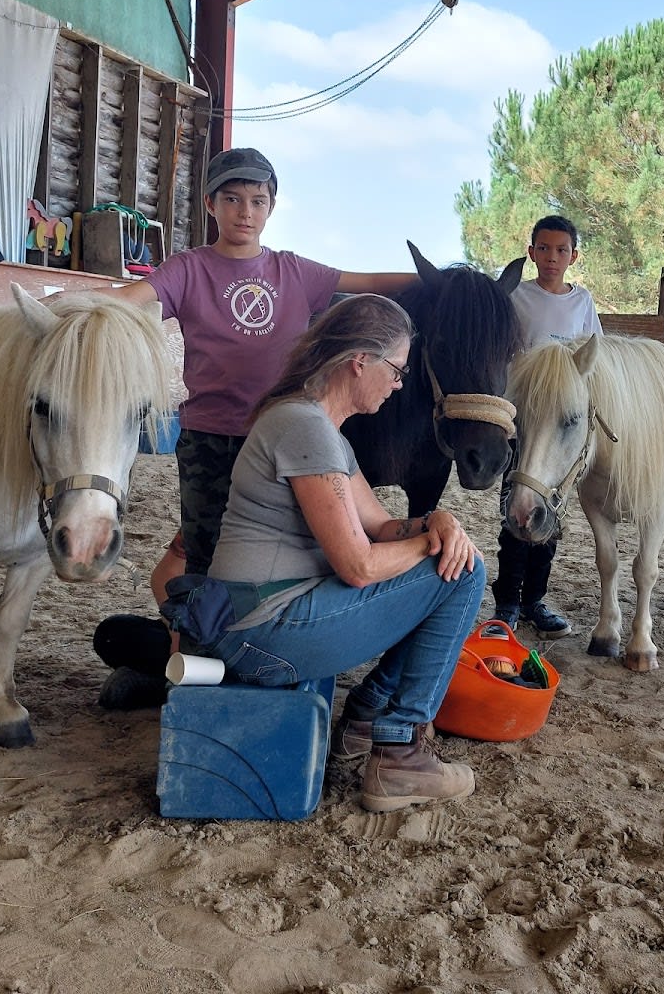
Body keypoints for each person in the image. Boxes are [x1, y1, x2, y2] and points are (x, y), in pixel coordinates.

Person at [93, 146, 413, 708]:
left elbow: (367, 282)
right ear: (211, 204)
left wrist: (446, 282)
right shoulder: (188, 269)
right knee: (206, 559)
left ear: (272, 207)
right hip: (212, 441)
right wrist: (62, 305)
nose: (246, 211)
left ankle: (277, 654)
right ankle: (187, 681)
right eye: (233, 199)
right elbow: (127, 301)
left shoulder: (294, 272)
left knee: (302, 551)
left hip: (289, 435)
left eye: (258, 201)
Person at [175, 293, 485, 813]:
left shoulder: (321, 431)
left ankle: (368, 717)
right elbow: (359, 566)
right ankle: (399, 751)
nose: (398, 384)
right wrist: (431, 546)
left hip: (259, 618)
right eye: (396, 370)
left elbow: (381, 526)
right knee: (465, 573)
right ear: (360, 360)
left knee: (452, 560)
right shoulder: (306, 428)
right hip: (262, 629)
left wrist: (436, 522)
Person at [492, 215, 602, 638]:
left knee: (549, 515)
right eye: (543, 248)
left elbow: (592, 358)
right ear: (531, 252)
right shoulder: (517, 297)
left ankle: (533, 600)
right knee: (515, 510)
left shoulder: (583, 302)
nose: (552, 257)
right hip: (525, 420)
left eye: (561, 250)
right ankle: (506, 604)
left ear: (573, 256)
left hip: (558, 427)